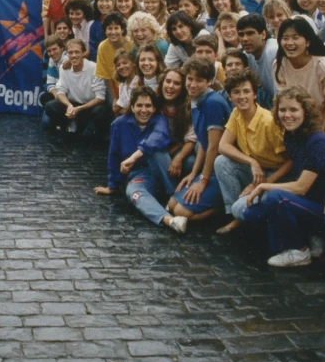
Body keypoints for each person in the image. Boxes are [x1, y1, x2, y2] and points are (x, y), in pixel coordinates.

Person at [236, 86, 325, 267]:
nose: (287, 115)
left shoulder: (318, 141)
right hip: (307, 202)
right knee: (251, 215)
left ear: (306, 111)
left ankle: (299, 251)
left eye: (293, 109)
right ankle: (308, 235)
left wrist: (264, 185)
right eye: (283, 110)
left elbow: (301, 187)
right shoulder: (291, 136)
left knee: (276, 197)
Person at [212, 70, 290, 235]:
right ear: (230, 96)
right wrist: (252, 162)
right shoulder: (237, 113)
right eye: (236, 92)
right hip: (258, 169)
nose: (242, 97)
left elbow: (291, 161)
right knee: (221, 162)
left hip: (278, 175)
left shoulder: (268, 122)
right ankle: (235, 216)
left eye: (246, 91)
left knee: (241, 209)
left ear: (255, 94)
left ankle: (244, 215)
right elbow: (223, 146)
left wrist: (262, 184)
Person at [163, 56, 230, 234]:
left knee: (180, 211)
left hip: (221, 169)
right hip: (209, 167)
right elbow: (202, 141)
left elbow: (214, 147)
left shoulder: (213, 103)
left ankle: (224, 207)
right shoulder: (195, 99)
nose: (192, 84)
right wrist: (194, 174)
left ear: (209, 81)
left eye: (199, 80)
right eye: (190, 79)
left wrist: (203, 180)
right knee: (171, 205)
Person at [95, 86, 179, 226]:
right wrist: (113, 185)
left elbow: (158, 137)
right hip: (140, 174)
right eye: (139, 105)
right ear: (132, 107)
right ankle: (168, 220)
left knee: (157, 151)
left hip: (162, 172)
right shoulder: (119, 124)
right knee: (133, 192)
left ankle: (174, 197)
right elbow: (114, 154)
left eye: (148, 106)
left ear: (154, 108)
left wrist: (134, 156)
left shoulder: (160, 120)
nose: (144, 110)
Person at [273, 17, 325, 129]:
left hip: (322, 124)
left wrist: (324, 130)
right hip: (294, 123)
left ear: (307, 42)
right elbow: (284, 98)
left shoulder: (324, 66)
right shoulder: (279, 65)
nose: (289, 43)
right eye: (285, 38)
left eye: (295, 38)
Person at [43, 37, 109, 135]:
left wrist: (80, 108)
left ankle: (95, 132)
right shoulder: (64, 67)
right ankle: (66, 127)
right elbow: (61, 91)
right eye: (70, 53)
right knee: (50, 106)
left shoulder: (93, 68)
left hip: (89, 106)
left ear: (83, 53)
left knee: (100, 111)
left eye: (77, 52)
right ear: (67, 54)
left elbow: (100, 98)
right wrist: (68, 105)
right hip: (73, 105)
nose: (73, 55)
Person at [236, 13, 279, 109]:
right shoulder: (248, 55)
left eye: (250, 33)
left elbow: (280, 94)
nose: (245, 39)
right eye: (241, 35)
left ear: (263, 34)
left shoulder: (273, 51)